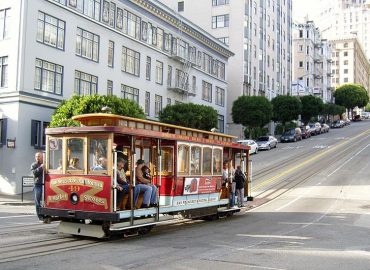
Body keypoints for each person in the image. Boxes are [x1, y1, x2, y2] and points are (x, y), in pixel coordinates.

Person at [31, 152, 44, 220]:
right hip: (37, 185)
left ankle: (45, 214)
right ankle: (40, 216)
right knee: (37, 201)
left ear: (42, 157)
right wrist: (41, 167)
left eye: (39, 156)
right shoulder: (34, 165)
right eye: (36, 156)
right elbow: (34, 173)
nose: (37, 158)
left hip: (45, 184)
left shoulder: (46, 164)